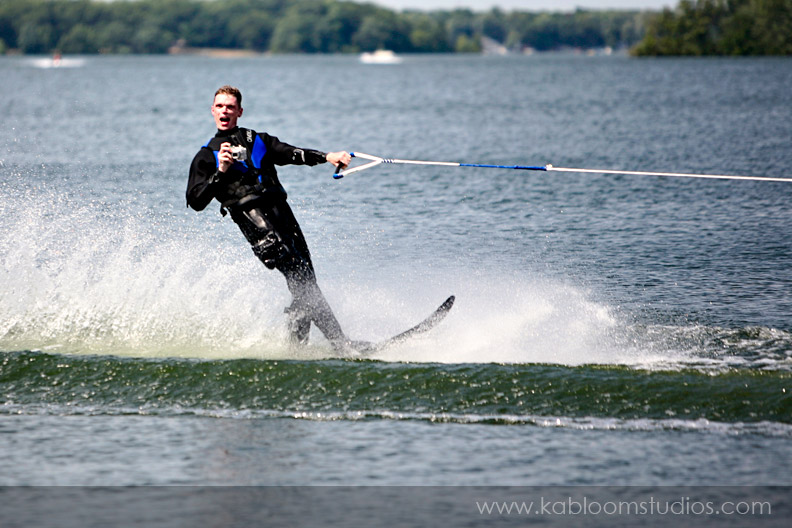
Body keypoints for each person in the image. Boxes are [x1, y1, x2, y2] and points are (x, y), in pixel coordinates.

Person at [187, 85, 356, 352]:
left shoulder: (258, 140)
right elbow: (196, 201)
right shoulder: (207, 156)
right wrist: (220, 172)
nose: (224, 111)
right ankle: (341, 343)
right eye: (219, 106)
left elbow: (292, 153)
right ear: (212, 110)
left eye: (230, 107)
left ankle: (296, 349)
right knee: (301, 280)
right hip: (256, 224)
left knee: (306, 282)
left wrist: (327, 157)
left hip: (284, 216)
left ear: (239, 111)